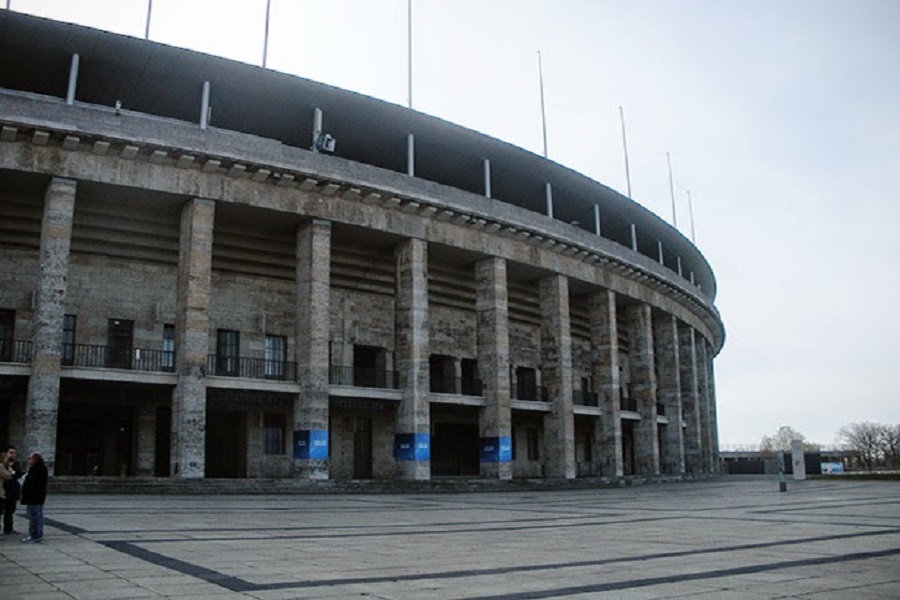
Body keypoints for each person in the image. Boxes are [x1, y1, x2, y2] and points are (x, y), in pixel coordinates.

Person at [21, 452, 48, 543]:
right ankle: (36, 534)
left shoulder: (37, 469)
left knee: (35, 516)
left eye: (30, 458)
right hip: (36, 496)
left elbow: (34, 484)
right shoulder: (38, 468)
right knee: (36, 515)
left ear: (35, 459)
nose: (28, 460)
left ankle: (35, 535)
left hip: (34, 497)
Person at [2, 445, 24, 535]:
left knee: (10, 511)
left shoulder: (16, 464)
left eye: (14, 453)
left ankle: (8, 528)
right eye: (11, 452)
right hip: (3, 490)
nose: (13, 455)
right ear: (6, 453)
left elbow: (18, 475)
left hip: (13, 491)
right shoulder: (2, 464)